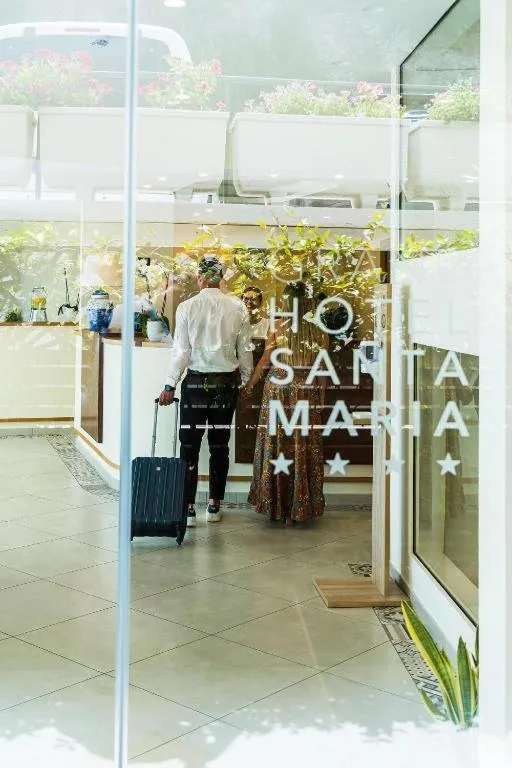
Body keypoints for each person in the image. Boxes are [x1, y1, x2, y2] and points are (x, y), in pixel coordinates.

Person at [159, 255, 253, 528]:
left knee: (189, 445)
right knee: (219, 445)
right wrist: (244, 382)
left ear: (200, 278)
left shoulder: (187, 307)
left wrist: (169, 385)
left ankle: (188, 508)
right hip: (226, 384)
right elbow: (245, 350)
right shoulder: (238, 306)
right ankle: (214, 505)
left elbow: (181, 351)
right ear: (221, 279)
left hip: (196, 385)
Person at [245, 281, 328, 525]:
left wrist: (249, 385)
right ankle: (299, 508)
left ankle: (276, 506)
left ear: (285, 302)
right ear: (308, 303)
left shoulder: (277, 327)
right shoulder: (319, 331)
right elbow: (322, 370)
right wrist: (320, 400)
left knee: (277, 444)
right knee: (302, 447)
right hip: (306, 392)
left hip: (278, 391)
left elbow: (265, 361)